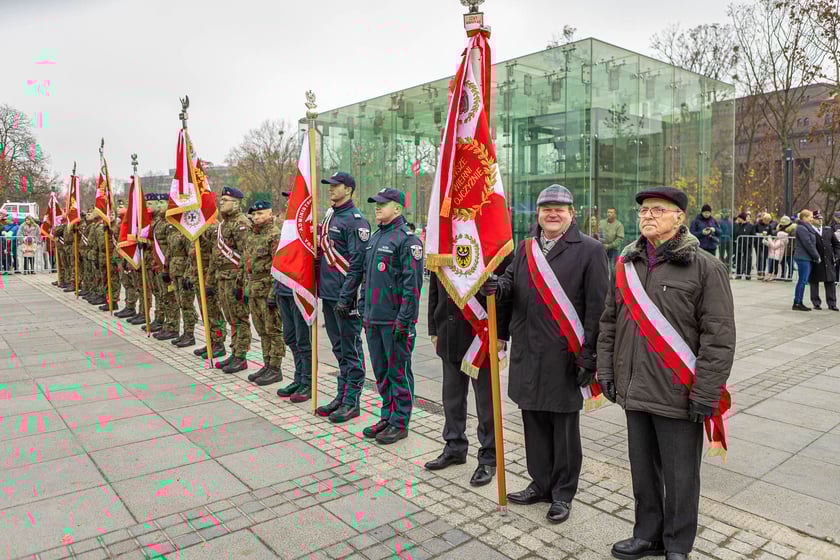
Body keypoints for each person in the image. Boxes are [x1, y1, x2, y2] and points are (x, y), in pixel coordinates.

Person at [598, 186, 735, 560]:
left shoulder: (706, 268)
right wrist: (605, 369)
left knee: (680, 476)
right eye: (644, 210)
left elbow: (719, 337)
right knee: (643, 473)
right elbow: (609, 322)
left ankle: (677, 543)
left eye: (658, 210)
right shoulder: (626, 265)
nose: (648, 215)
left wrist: (706, 393)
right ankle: (648, 535)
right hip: (634, 389)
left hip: (679, 391)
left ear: (679, 218)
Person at [482, 184, 608, 525]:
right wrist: (495, 286)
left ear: (572, 214)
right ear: (537, 214)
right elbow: (510, 285)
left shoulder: (591, 250)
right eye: (546, 208)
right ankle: (540, 483)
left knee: (564, 430)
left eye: (560, 209)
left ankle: (563, 493)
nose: (553, 214)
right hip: (529, 353)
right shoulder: (525, 249)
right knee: (533, 423)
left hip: (565, 357)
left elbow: (598, 309)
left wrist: (590, 357)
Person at [424, 251, 513, 487]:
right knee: (451, 397)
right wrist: (433, 328)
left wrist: (501, 334)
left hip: (481, 334)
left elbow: (506, 292)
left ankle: (489, 457)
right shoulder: (443, 239)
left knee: (486, 402)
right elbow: (435, 285)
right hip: (448, 330)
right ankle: (454, 446)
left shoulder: (492, 240)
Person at [359, 188, 423, 445]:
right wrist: (363, 309)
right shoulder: (376, 237)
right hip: (374, 319)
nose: (377, 207)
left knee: (398, 373)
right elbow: (367, 278)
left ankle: (400, 422)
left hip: (395, 322)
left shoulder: (407, 240)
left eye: (383, 204)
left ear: (397, 208)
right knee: (382, 373)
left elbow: (412, 286)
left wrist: (404, 320)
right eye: (376, 203)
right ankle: (387, 416)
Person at [314, 172, 370, 423]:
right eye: (329, 185)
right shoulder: (331, 216)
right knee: (339, 349)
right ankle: (341, 395)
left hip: (345, 297)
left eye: (335, 186)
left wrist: (346, 297)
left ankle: (352, 401)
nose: (330, 189)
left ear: (348, 189)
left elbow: (357, 264)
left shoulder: (355, 221)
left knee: (351, 349)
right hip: (328, 294)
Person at [273, 191, 313, 403]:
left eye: (293, 199)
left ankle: (308, 382)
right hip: (283, 290)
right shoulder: (286, 227)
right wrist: (275, 289)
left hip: (298, 292)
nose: (290, 202)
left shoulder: (307, 227)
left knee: (303, 340)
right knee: (290, 337)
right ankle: (298, 378)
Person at [243, 199, 285, 385]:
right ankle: (267, 364)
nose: (256, 217)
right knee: (261, 330)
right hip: (254, 289)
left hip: (268, 290)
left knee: (273, 330)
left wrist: (274, 294)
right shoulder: (253, 235)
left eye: (260, 213)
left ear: (270, 213)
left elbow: (278, 267)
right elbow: (247, 264)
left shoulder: (274, 235)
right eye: (254, 214)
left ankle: (275, 368)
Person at [213, 186, 253, 374]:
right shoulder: (223, 225)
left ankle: (241, 356)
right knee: (231, 318)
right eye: (221, 200)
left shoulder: (241, 224)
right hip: (223, 278)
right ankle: (235, 352)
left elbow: (246, 255)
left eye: (225, 200)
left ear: (236, 203)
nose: (221, 203)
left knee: (240, 318)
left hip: (235, 279)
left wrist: (242, 284)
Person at [191, 221, 227, 360]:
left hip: (208, 277)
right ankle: (211, 342)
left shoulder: (212, 227)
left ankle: (218, 343)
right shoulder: (196, 225)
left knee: (213, 312)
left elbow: (215, 255)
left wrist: (210, 281)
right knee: (205, 312)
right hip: (199, 275)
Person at [166, 224, 198, 347]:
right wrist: (166, 269)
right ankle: (185, 332)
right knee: (180, 302)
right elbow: (169, 252)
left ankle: (190, 334)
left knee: (187, 304)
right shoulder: (173, 231)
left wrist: (188, 275)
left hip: (184, 273)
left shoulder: (186, 231)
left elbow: (191, 256)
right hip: (175, 272)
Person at [807, 210, 840, 311]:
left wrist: (836, 256)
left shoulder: (828, 230)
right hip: (815, 260)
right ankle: (816, 302)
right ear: (812, 220)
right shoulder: (809, 231)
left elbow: (836, 244)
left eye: (821, 218)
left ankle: (832, 303)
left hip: (828, 260)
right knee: (814, 281)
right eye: (817, 219)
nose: (820, 220)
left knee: (830, 281)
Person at [793, 209, 820, 311]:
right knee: (802, 281)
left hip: (806, 257)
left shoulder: (806, 227)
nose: (812, 219)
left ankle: (799, 301)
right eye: (810, 217)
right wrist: (816, 256)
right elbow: (807, 243)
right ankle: (797, 302)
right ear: (804, 217)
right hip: (803, 257)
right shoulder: (801, 228)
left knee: (803, 281)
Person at [764, 216, 792, 282]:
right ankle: (769, 275)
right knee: (772, 265)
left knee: (775, 266)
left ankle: (774, 276)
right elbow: (771, 245)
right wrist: (765, 242)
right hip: (774, 255)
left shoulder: (781, 241)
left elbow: (774, 246)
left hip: (777, 255)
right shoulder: (777, 240)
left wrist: (769, 239)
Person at [733, 213, 755, 279]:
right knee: (738, 259)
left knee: (748, 259)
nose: (737, 219)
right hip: (739, 246)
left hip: (747, 246)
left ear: (742, 218)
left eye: (739, 218)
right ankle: (739, 273)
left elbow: (753, 236)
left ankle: (747, 274)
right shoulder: (737, 225)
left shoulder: (750, 226)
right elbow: (734, 234)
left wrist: (749, 243)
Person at [754, 213, 776, 278]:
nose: (767, 222)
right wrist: (760, 234)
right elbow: (754, 233)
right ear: (763, 219)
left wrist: (769, 236)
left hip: (765, 243)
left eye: (768, 221)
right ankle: (759, 271)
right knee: (759, 257)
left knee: (764, 257)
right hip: (758, 243)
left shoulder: (769, 226)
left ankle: (763, 271)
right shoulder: (757, 225)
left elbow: (771, 234)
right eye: (766, 220)